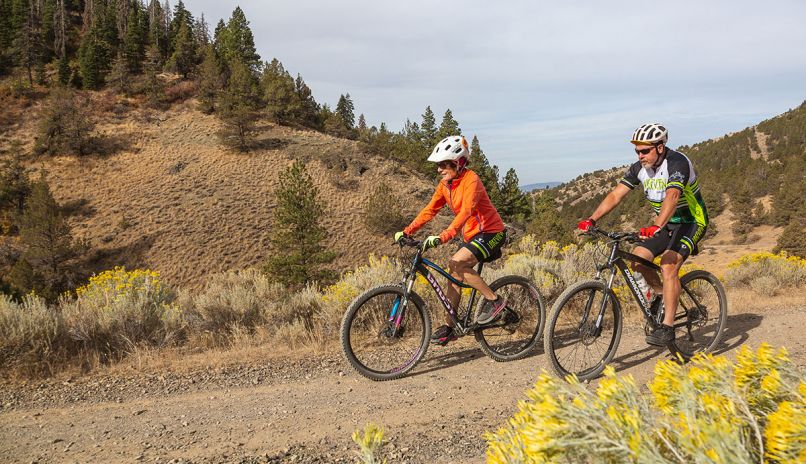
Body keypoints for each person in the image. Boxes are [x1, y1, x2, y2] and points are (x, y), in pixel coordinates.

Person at [577, 123, 709, 346]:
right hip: (666, 225)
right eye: (637, 151)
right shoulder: (639, 168)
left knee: (668, 265)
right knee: (638, 259)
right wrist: (592, 219)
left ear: (660, 147)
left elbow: (673, 196)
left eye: (645, 150)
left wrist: (656, 225)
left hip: (691, 222)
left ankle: (667, 327)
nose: (640, 155)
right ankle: (662, 295)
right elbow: (616, 195)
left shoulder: (677, 163)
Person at [394, 135, 508, 345]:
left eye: (444, 164)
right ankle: (450, 326)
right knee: (453, 272)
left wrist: (444, 236)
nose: (439, 169)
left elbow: (466, 212)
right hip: (473, 236)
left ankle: (495, 302)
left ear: (458, 162)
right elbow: (430, 210)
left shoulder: (471, 180)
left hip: (492, 232)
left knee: (457, 262)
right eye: (438, 165)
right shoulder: (445, 185)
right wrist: (407, 231)